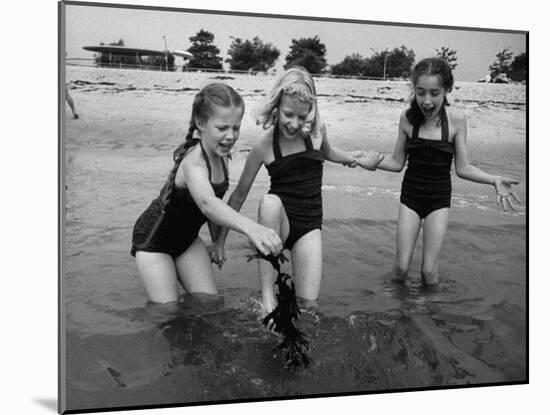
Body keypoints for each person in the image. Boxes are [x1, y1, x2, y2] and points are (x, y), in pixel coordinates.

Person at [213, 67, 382, 313]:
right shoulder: (264, 146)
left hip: (309, 226)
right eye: (288, 114)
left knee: (308, 306)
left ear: (310, 112)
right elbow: (239, 194)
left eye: (301, 117)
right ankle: (268, 301)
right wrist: (220, 242)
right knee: (269, 202)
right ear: (276, 106)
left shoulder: (315, 132)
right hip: (278, 223)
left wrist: (358, 160)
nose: (294, 124)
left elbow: (329, 152)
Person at [356, 57, 521, 286]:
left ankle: (428, 317)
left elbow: (463, 168)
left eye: (434, 93)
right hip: (410, 198)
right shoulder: (407, 118)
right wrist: (371, 162)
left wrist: (493, 179)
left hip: (438, 200)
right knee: (401, 268)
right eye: (420, 92)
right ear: (414, 90)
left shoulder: (456, 120)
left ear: (447, 90)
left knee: (428, 272)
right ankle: (397, 314)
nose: (426, 101)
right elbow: (396, 162)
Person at [131, 83, 282, 304]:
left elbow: (215, 207)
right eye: (222, 128)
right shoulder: (194, 163)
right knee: (168, 312)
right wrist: (252, 228)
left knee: (210, 304)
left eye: (236, 128)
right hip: (154, 243)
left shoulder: (222, 156)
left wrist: (217, 241)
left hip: (186, 240)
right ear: (201, 123)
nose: (230, 136)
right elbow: (207, 204)